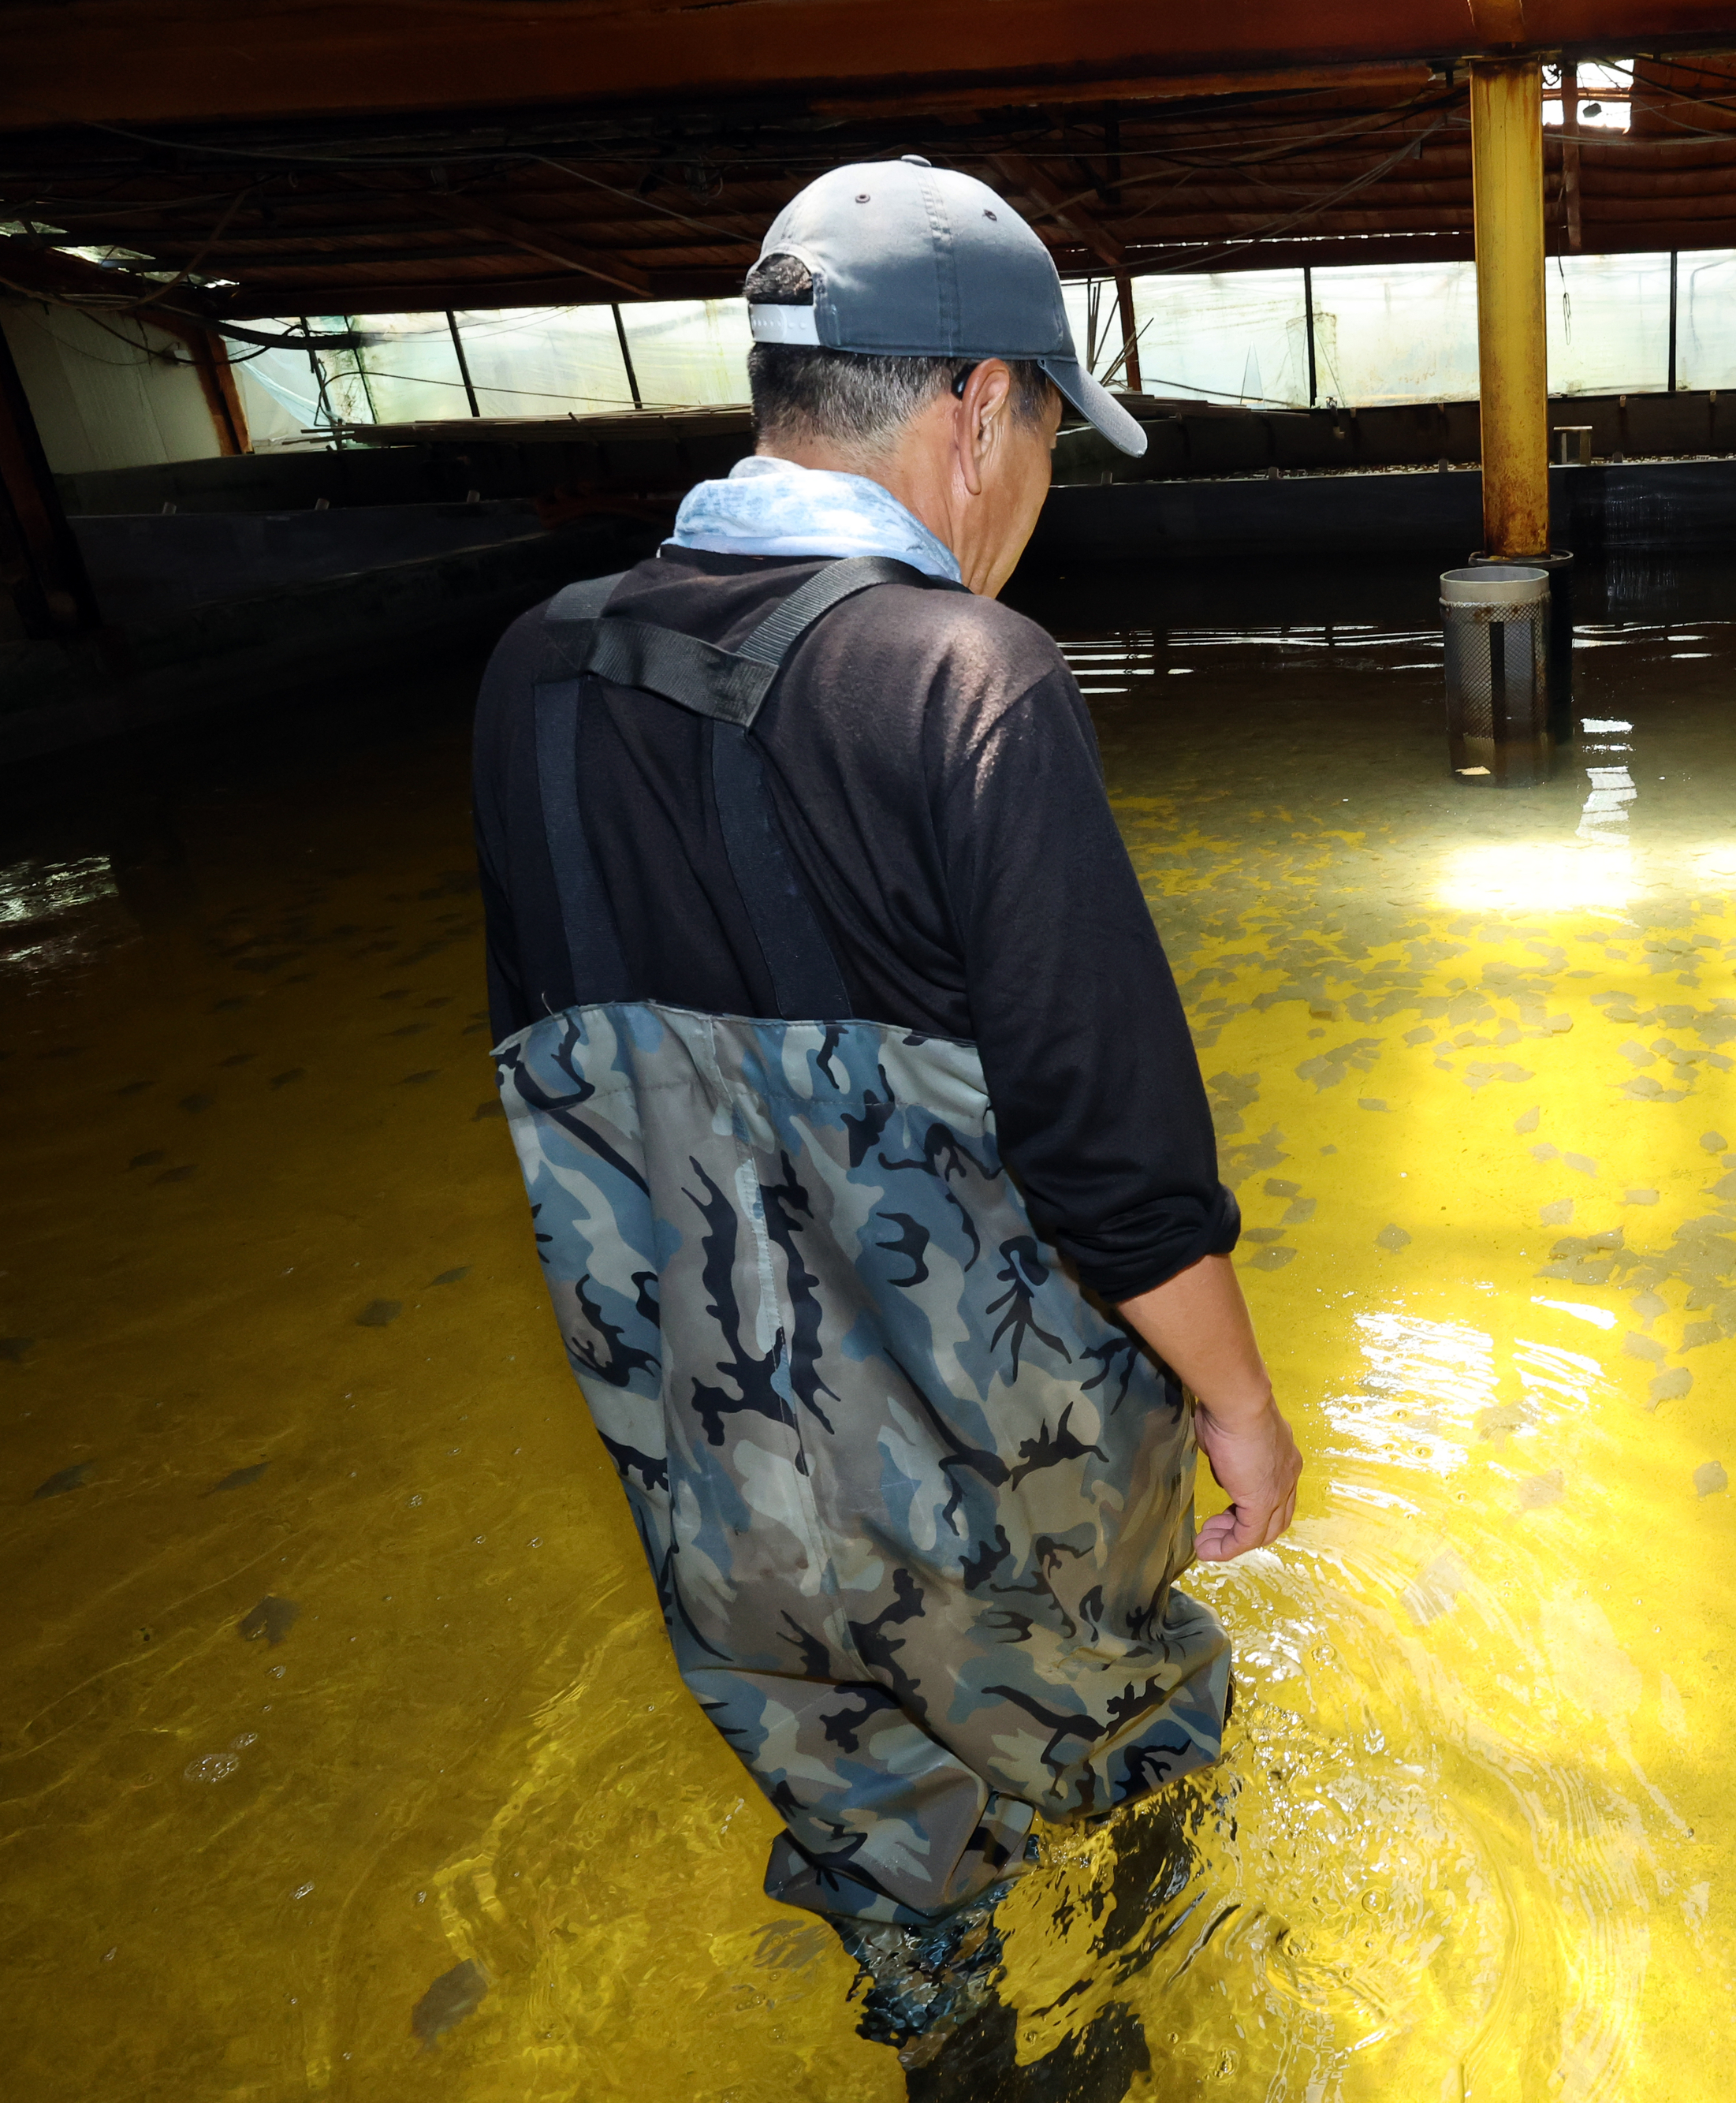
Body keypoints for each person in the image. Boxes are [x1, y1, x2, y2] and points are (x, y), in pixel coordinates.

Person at [468, 157, 1302, 2079]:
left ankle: (956, 2049)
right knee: (1131, 1727)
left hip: (715, 1464)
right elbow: (1110, 1154)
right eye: (1042, 438)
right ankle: (1149, 2006)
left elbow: (569, 1082)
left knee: (863, 1804)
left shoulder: (536, 671)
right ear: (975, 407)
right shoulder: (963, 676)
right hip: (1000, 1468)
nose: (1027, 498)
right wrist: (1243, 1408)